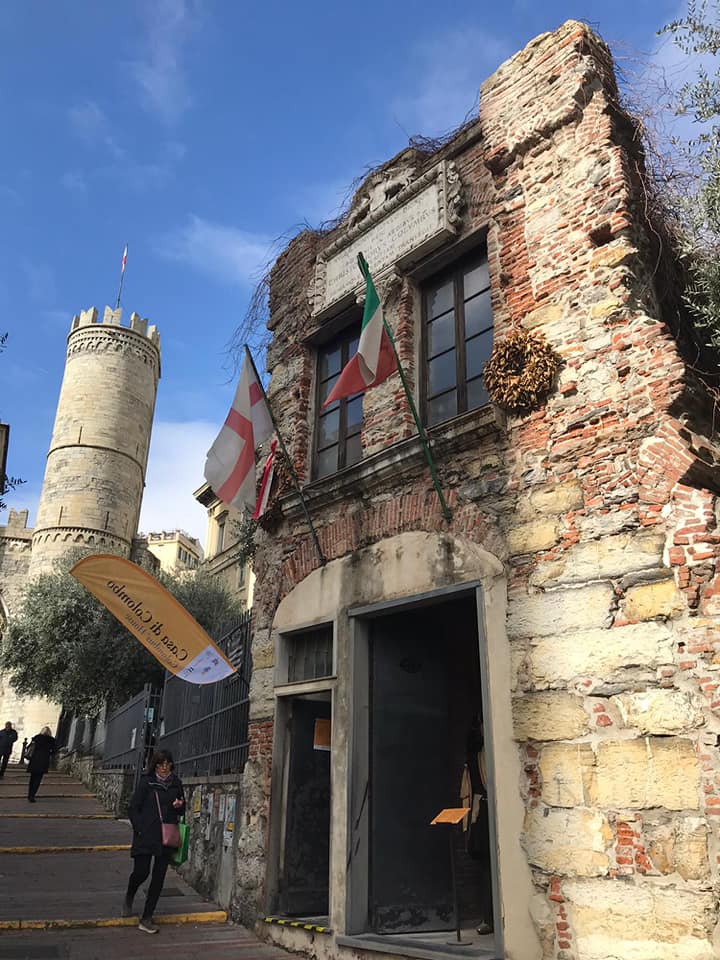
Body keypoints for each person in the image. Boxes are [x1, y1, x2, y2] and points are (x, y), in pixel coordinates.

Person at [124, 749, 185, 934]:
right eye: (160, 764)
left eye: (167, 764)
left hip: (166, 837)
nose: (164, 768)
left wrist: (179, 807)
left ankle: (147, 917)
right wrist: (140, 828)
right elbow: (133, 808)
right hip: (146, 835)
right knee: (141, 872)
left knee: (158, 878)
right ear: (155, 765)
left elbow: (182, 809)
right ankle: (130, 895)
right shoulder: (146, 783)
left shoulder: (176, 784)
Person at [27, 726, 56, 802]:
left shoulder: (36, 738)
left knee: (32, 778)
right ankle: (32, 795)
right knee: (38, 779)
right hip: (44, 760)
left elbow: (28, 747)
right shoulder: (51, 740)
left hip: (34, 760)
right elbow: (54, 751)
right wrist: (48, 753)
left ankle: (29, 794)